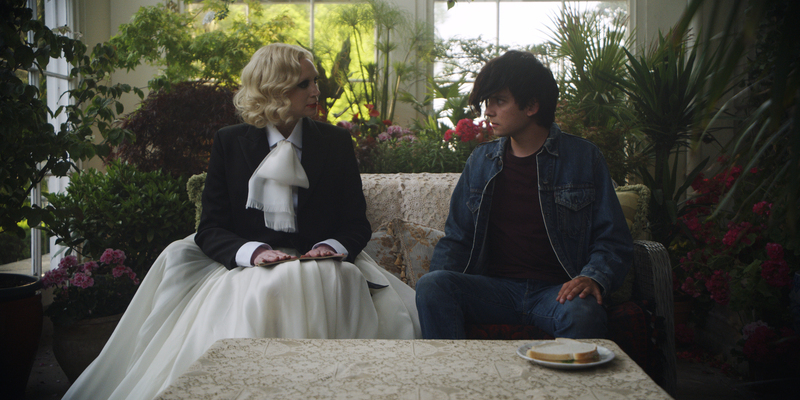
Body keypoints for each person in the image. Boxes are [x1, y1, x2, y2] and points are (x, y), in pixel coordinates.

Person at [63, 43, 420, 400]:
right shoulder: (229, 142)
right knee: (262, 291)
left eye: (314, 81)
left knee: (325, 279)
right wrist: (254, 253)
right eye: (304, 84)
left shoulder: (336, 142)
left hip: (325, 262)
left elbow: (355, 223)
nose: (316, 91)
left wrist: (330, 247)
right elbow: (211, 227)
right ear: (275, 90)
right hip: (248, 264)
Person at [415, 50, 632, 340]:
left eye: (499, 101)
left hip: (557, 294)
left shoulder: (583, 158)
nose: (488, 111)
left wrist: (593, 276)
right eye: (487, 102)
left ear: (531, 105)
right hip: (494, 291)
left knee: (582, 312)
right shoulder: (480, 162)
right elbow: (457, 239)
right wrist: (438, 280)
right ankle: (451, 370)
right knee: (433, 286)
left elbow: (612, 238)